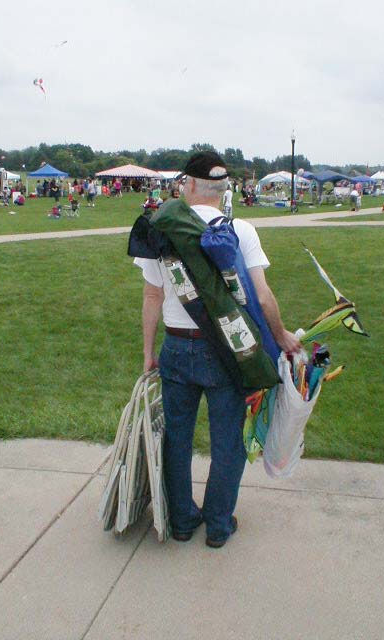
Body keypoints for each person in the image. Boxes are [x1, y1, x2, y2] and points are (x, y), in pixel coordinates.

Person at [134, 151, 300, 548]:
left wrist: (148, 352)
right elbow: (262, 295)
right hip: (229, 351)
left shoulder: (161, 229)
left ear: (189, 184)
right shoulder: (240, 230)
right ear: (224, 190)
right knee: (228, 441)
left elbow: (152, 296)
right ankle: (219, 525)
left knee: (177, 438)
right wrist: (279, 335)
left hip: (177, 346)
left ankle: (182, 522)